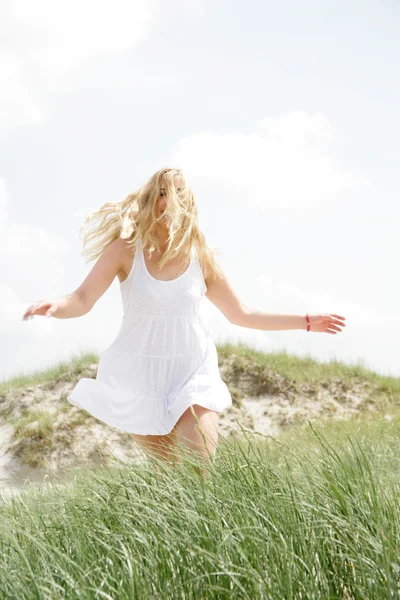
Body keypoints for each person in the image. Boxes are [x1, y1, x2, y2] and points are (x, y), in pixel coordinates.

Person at [22, 167, 346, 473]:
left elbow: (241, 314)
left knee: (197, 472)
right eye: (162, 193)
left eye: (178, 193)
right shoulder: (125, 250)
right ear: (151, 199)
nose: (169, 201)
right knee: (172, 484)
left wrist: (305, 320)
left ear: (189, 202)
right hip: (141, 376)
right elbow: (81, 299)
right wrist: (55, 304)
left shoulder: (200, 255)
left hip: (193, 370)